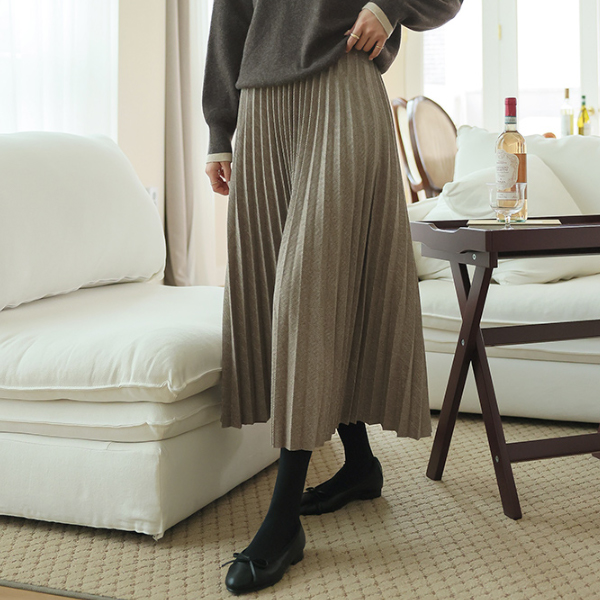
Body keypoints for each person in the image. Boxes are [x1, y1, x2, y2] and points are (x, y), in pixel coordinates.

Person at [203, 0, 462, 594]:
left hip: (342, 86)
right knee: (284, 288)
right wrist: (221, 128)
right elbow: (231, 12)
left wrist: (390, 8)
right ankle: (360, 465)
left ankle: (283, 522)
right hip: (261, 104)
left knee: (309, 292)